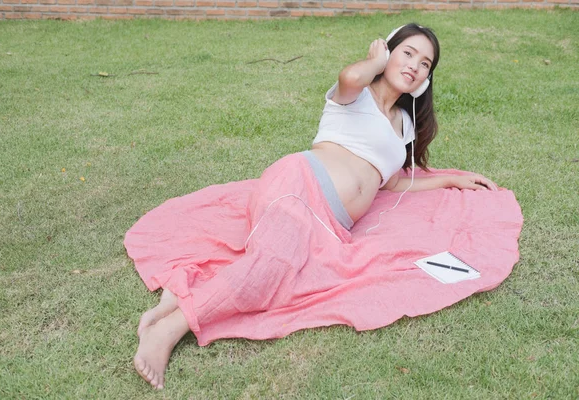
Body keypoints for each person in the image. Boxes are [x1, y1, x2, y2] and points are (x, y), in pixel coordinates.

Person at [130, 23, 497, 389]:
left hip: (331, 224)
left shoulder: (403, 125)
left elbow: (395, 181)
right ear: (387, 52)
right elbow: (349, 76)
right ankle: (168, 330)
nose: (415, 65)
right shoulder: (357, 93)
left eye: (425, 64)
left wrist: (450, 180)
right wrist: (375, 60)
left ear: (426, 81)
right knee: (270, 269)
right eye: (407, 53)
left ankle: (180, 296)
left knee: (290, 281)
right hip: (301, 184)